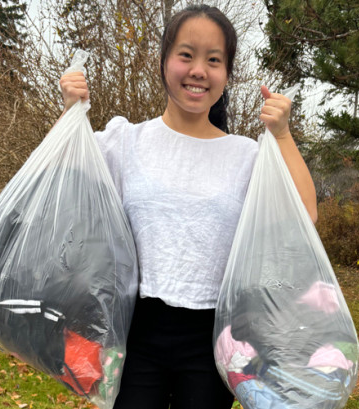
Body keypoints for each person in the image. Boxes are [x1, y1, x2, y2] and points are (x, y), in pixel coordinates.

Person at [58, 4, 317, 409]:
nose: (199, 70)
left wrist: (282, 135)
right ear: (164, 62)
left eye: (214, 60)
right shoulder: (126, 141)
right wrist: (71, 113)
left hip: (214, 336)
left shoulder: (246, 156)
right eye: (186, 55)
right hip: (135, 328)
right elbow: (65, 188)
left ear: (227, 74)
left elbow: (305, 216)